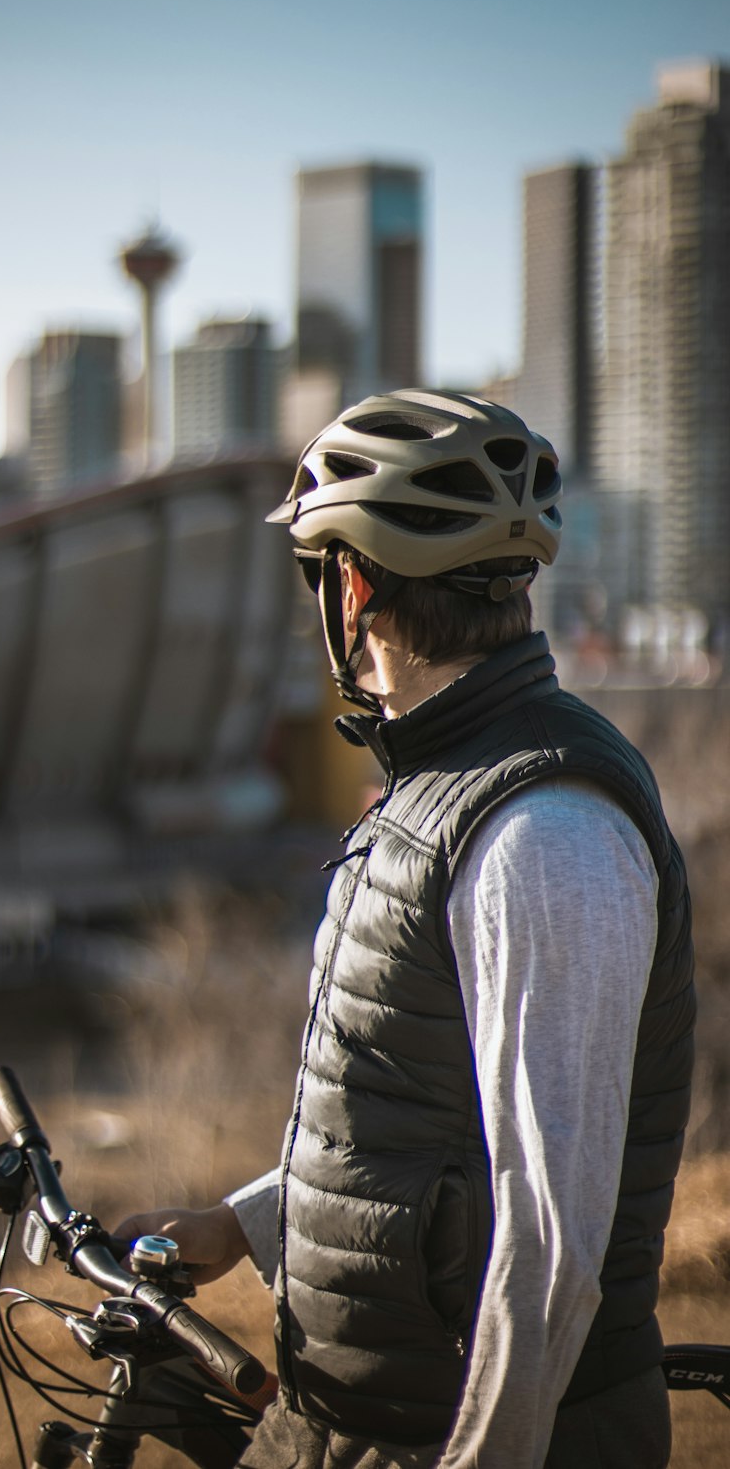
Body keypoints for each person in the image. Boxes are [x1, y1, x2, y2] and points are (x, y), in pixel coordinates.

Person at [115, 389, 695, 1469]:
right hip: (345, 1423)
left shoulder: (544, 829)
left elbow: (551, 1239)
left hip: (464, 1441)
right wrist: (240, 1227)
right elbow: (420, 1129)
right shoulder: (441, 786)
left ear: (354, 582)